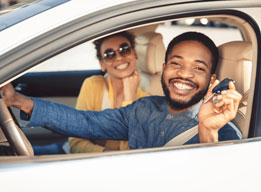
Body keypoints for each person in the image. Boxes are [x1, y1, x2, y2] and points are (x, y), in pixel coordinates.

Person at [0, 32, 242, 149]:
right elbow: (84, 121)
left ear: (212, 80)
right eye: (176, 63)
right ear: (164, 68)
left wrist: (207, 131)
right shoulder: (143, 108)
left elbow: (216, 183)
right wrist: (18, 100)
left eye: (198, 68)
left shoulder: (223, 131)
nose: (184, 74)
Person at [70, 31, 148, 153]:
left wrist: (129, 100)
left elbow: (132, 152)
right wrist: (106, 154)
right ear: (102, 64)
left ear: (135, 54)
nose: (119, 57)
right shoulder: (92, 85)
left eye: (125, 49)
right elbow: (75, 143)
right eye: (109, 54)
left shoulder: (146, 102)